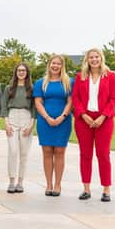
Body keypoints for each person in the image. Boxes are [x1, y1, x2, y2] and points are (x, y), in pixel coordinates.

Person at [72, 48, 115, 202]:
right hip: (83, 120)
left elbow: (113, 98)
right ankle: (86, 189)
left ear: (101, 58)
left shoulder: (110, 76)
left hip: (104, 120)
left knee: (103, 154)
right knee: (85, 155)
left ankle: (106, 190)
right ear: (87, 60)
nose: (94, 59)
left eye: (96, 56)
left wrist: (103, 116)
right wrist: (83, 115)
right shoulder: (81, 77)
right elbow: (76, 98)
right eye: (91, 57)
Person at [33, 55, 74, 197]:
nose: (55, 66)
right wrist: (47, 117)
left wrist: (62, 117)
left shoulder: (68, 82)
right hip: (45, 122)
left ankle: (57, 184)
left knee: (60, 152)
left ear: (62, 66)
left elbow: (70, 102)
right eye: (53, 63)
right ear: (49, 64)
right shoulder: (40, 83)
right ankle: (49, 184)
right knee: (47, 152)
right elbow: (38, 102)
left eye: (58, 64)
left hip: (63, 122)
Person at [1, 63, 36, 193]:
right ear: (16, 72)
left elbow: (34, 107)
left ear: (27, 73)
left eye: (23, 70)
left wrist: (31, 124)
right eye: (19, 70)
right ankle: (11, 181)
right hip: (12, 117)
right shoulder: (9, 88)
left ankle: (20, 182)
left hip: (26, 118)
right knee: (13, 151)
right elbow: (4, 105)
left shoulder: (31, 88)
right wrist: (7, 122)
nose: (21, 72)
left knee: (24, 153)